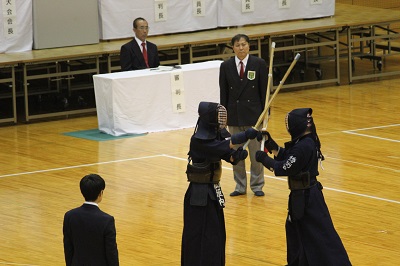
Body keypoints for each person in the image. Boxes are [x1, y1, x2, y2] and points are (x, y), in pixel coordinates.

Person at [255, 108, 351, 266]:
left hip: (307, 200)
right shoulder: (304, 141)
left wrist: (265, 159)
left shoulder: (304, 146)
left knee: (320, 236)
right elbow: (288, 155)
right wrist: (270, 143)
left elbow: (285, 167)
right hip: (303, 197)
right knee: (297, 232)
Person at [181, 101, 258, 266]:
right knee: (199, 237)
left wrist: (236, 156)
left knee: (215, 236)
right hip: (199, 196)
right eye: (218, 116)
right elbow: (223, 145)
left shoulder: (213, 137)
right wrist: (245, 136)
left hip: (212, 191)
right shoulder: (198, 141)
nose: (222, 119)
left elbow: (227, 154)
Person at [219, 33, 268, 197]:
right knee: (236, 154)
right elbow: (223, 93)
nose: (241, 48)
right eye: (238, 45)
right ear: (232, 47)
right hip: (234, 116)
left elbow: (264, 92)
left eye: (244, 44)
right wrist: (223, 117)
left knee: (255, 154)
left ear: (249, 46)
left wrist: (265, 114)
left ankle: (257, 185)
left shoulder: (259, 64)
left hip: (254, 116)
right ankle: (240, 186)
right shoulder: (225, 67)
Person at [63, 174, 119, 266]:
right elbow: (111, 252)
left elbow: (68, 247)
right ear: (101, 193)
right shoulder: (107, 220)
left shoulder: (70, 216)